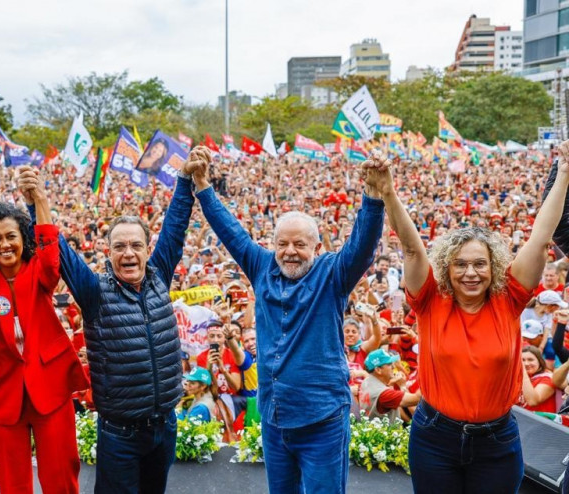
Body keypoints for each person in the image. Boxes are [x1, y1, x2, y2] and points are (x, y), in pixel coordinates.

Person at [361, 142, 569, 493]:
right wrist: (388, 193)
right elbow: (412, 248)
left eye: (479, 264)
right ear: (446, 267)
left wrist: (564, 173)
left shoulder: (510, 298)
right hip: (434, 439)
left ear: (495, 268)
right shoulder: (430, 300)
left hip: (497, 442)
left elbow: (540, 238)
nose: (470, 273)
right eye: (460, 264)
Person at [189, 145, 386, 494]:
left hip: (322, 419)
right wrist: (203, 186)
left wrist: (372, 197)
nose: (290, 252)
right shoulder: (262, 266)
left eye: (299, 244)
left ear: (316, 248)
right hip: (275, 418)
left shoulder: (332, 274)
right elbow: (231, 233)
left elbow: (363, 246)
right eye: (282, 244)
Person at [18, 150, 197, 494]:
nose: (128, 253)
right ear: (108, 252)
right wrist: (34, 204)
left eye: (135, 245)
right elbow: (60, 253)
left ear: (147, 250)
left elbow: (175, 228)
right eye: (120, 247)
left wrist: (185, 180)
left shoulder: (160, 276)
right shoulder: (94, 291)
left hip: (165, 425)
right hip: (120, 434)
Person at [0, 191, 88, 494]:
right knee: (12, 484)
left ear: (23, 238)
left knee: (61, 477)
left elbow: (52, 259)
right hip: (5, 395)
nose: (5, 245)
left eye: (11, 236)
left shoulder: (39, 272)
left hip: (50, 389)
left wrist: (41, 199)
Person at [358, 349, 420, 422]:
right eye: (389, 364)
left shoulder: (366, 381)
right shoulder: (384, 394)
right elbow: (417, 399)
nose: (393, 367)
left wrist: (390, 384)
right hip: (386, 432)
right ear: (378, 370)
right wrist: (403, 386)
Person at [520, 346, 556, 413]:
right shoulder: (519, 377)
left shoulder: (548, 378)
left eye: (530, 359)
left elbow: (533, 401)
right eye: (522, 360)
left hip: (539, 422)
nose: (526, 363)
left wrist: (523, 371)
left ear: (539, 361)